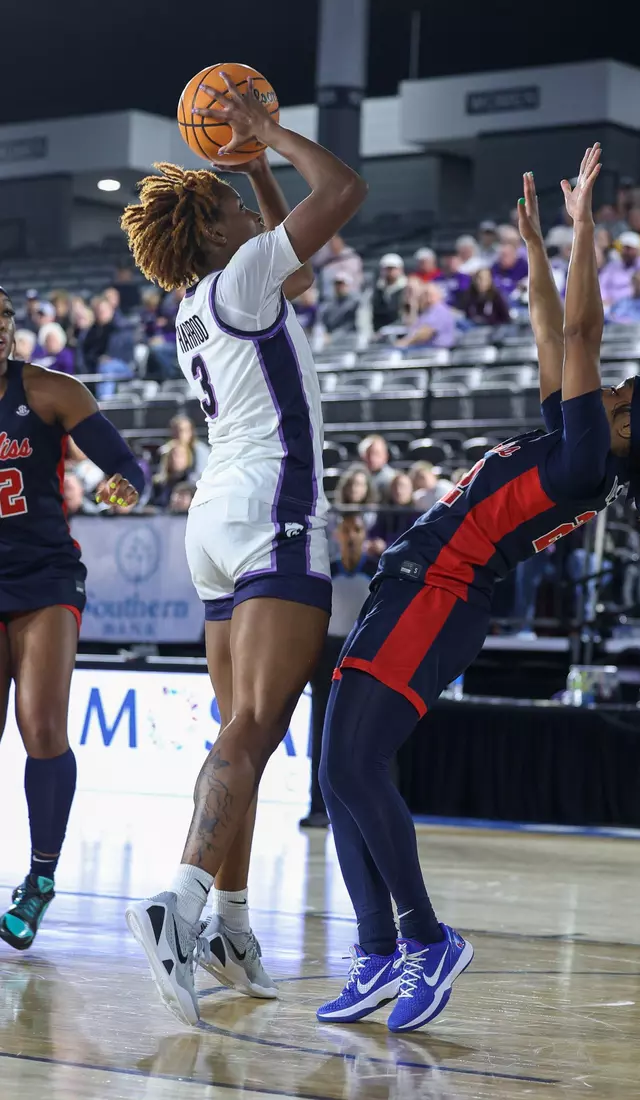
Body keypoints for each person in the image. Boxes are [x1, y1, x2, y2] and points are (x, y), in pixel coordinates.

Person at [315, 148, 640, 1034]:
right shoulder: (571, 446)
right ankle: (377, 953)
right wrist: (536, 245)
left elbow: (580, 336)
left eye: (621, 392)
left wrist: (584, 229)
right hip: (417, 586)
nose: (607, 383)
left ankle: (425, 941)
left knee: (354, 766)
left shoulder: (584, 461)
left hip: (442, 593)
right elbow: (553, 335)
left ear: (624, 427)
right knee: (337, 770)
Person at [119, 71, 366, 1027]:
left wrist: (253, 170)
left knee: (241, 736)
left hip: (213, 521)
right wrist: (272, 132)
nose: (238, 203)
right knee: (256, 727)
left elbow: (293, 262)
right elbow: (341, 191)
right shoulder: (242, 277)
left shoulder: (200, 302)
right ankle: (177, 903)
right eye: (228, 201)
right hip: (272, 509)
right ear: (217, 234)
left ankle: (226, 920)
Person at [0, 287, 144, 952]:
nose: (1, 329)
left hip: (46, 576)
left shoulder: (48, 389)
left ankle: (42, 876)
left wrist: (123, 484)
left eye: (4, 318)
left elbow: (123, 461)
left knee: (42, 723)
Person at [301, 513, 376, 830]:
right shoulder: (326, 574)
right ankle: (319, 805)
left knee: (365, 734)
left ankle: (365, 809)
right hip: (328, 653)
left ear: (364, 535)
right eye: (345, 530)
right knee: (322, 732)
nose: (350, 536)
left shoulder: (375, 574)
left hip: (362, 652)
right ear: (336, 536)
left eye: (356, 530)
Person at [598, 231, 640, 308]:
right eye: (624, 248)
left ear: (637, 249)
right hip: (611, 306)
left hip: (638, 305)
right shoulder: (612, 266)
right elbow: (601, 285)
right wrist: (605, 299)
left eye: (629, 249)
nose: (626, 252)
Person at [397, 283, 456, 350]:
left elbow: (425, 333)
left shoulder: (439, 310)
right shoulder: (428, 311)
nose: (426, 298)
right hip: (424, 351)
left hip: (435, 352)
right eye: (423, 295)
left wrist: (405, 343)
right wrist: (414, 307)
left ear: (439, 295)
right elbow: (412, 326)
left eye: (429, 294)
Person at [371, 254, 407, 332]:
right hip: (378, 333)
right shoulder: (375, 290)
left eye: (393, 268)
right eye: (387, 269)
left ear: (400, 269)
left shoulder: (407, 289)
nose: (390, 272)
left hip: (401, 331)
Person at [357, 435, 395, 499]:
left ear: (386, 455)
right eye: (368, 454)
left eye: (377, 453)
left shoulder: (393, 479)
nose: (372, 458)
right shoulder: (354, 477)